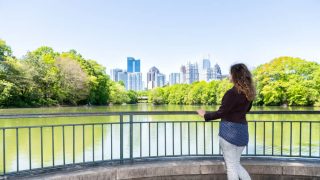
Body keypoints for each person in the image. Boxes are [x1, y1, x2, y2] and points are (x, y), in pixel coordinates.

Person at [197, 63, 255, 180]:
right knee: (236, 164)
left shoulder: (231, 93)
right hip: (242, 133)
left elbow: (221, 112)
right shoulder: (249, 94)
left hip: (229, 134)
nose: (228, 75)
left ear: (235, 76)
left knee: (231, 167)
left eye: (230, 73)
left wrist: (205, 115)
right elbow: (246, 110)